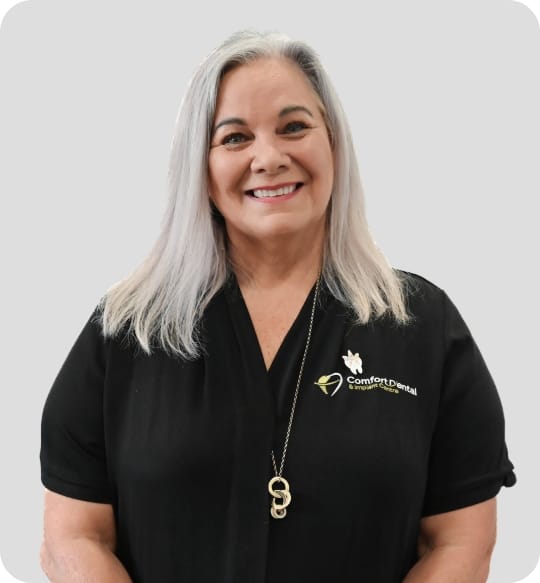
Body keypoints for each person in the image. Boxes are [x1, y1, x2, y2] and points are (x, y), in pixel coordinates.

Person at [39, 29, 516, 583]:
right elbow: (73, 536)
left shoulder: (422, 325)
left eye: (293, 128)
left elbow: (461, 540)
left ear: (333, 144)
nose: (268, 158)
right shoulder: (127, 330)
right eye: (235, 137)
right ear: (200, 168)